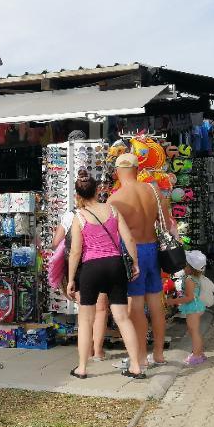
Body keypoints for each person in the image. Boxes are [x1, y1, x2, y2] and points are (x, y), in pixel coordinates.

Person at [65, 176, 145, 380]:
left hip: (91, 268)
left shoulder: (79, 216)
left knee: (86, 320)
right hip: (115, 265)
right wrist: (135, 263)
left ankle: (82, 367)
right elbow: (128, 238)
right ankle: (136, 366)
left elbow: (76, 251)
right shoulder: (113, 210)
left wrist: (71, 278)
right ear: (96, 190)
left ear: (77, 195)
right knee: (122, 318)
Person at [109, 152, 175, 370]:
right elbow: (166, 223)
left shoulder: (116, 199)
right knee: (156, 303)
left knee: (135, 306)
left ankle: (140, 356)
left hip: (133, 253)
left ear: (117, 172)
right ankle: (159, 354)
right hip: (154, 249)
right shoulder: (153, 190)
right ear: (137, 170)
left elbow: (112, 236)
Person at [51, 168, 108, 360]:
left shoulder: (70, 216)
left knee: (86, 310)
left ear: (77, 195)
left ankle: (86, 352)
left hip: (79, 267)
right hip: (102, 262)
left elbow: (55, 243)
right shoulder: (106, 211)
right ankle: (98, 351)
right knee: (101, 308)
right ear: (96, 191)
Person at [166, 250, 208, 366]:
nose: (182, 267)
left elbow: (189, 298)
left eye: (184, 264)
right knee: (193, 331)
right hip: (195, 306)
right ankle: (199, 352)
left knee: (194, 332)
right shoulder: (195, 277)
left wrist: (173, 301)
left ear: (190, 267)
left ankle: (197, 355)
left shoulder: (189, 280)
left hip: (193, 307)